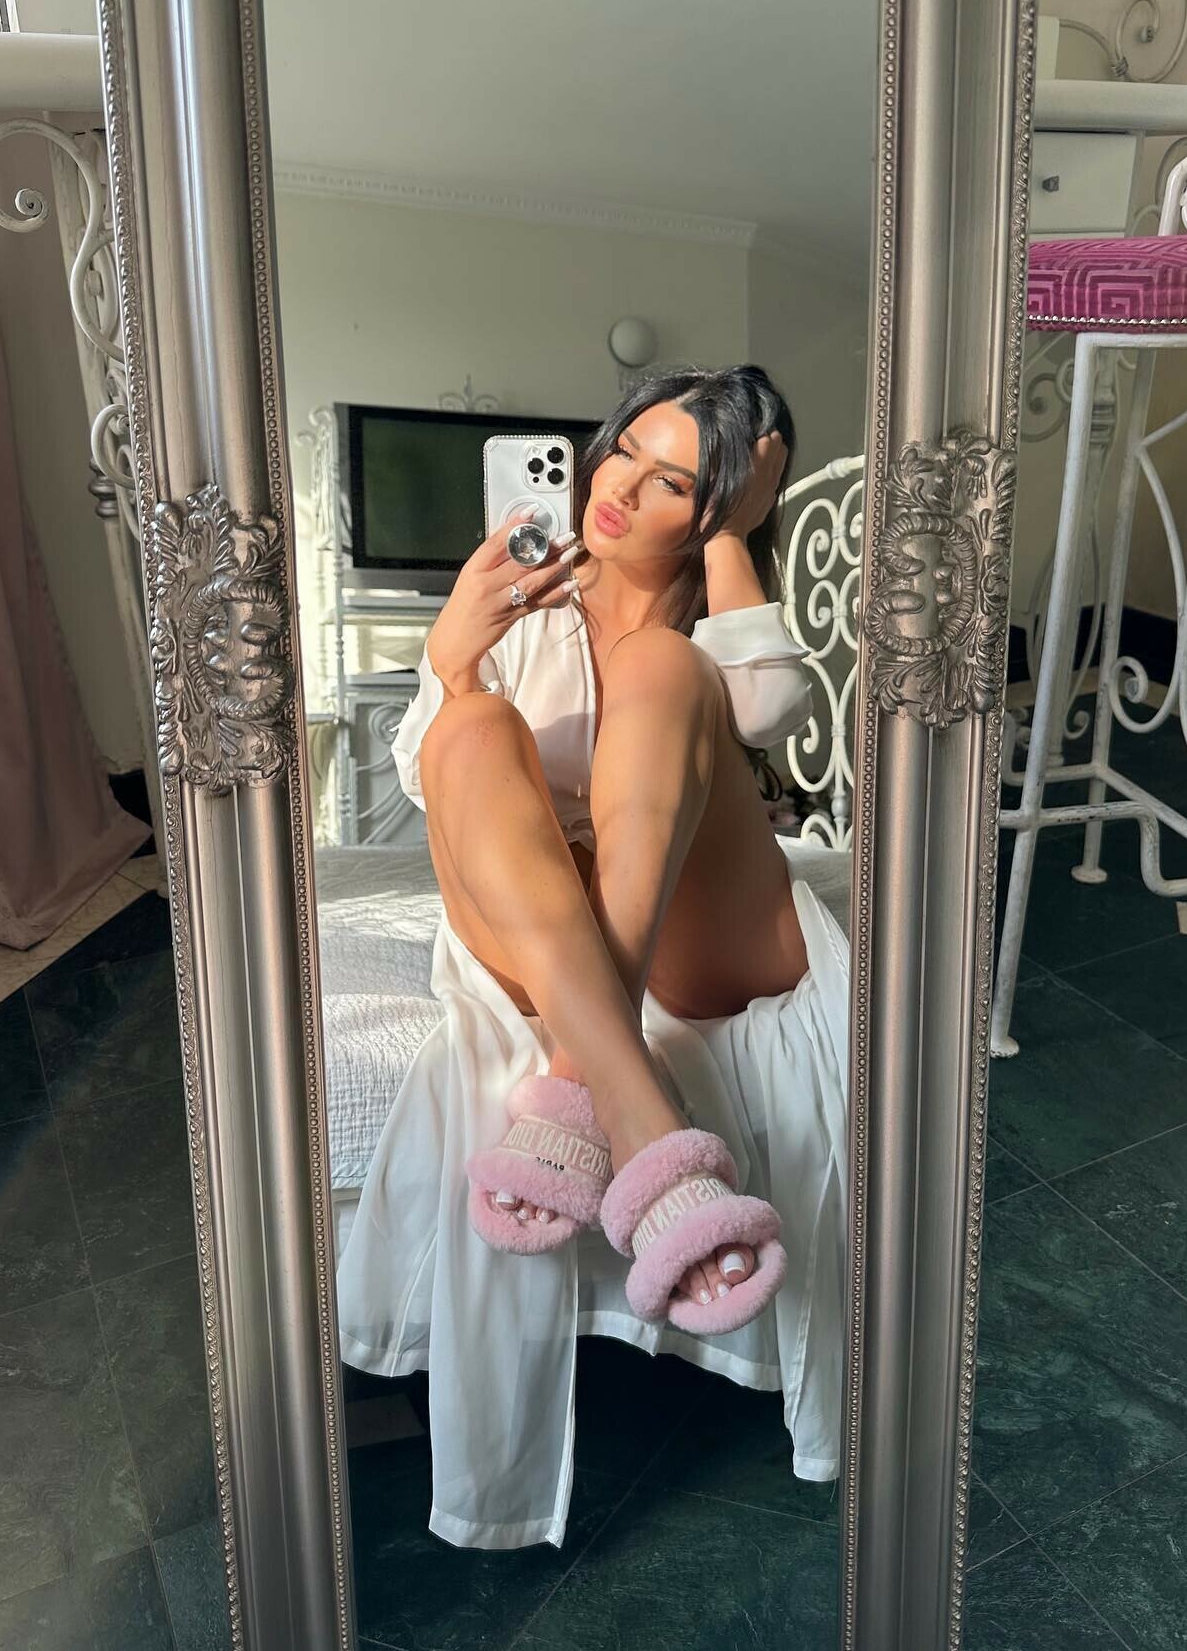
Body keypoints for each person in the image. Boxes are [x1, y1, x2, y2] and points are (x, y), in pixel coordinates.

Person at [338, 364, 850, 1548]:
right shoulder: (523, 592)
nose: (619, 487)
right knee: (471, 730)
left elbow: (771, 711)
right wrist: (455, 661)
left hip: (698, 941)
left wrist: (732, 539)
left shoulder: (700, 626)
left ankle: (588, 1079)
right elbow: (430, 780)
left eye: (674, 482)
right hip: (540, 927)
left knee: (666, 670)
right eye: (623, 450)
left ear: (719, 509)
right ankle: (638, 1115)